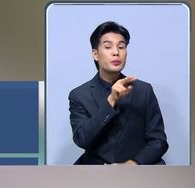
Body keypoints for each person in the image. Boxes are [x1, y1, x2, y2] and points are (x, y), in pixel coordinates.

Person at [68, 21, 169, 165]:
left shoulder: (143, 90)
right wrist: (111, 101)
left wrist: (132, 164)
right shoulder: (79, 95)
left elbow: (158, 141)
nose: (116, 52)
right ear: (95, 54)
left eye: (121, 47)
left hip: (136, 170)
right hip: (97, 171)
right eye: (108, 47)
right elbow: (82, 139)